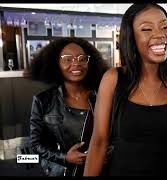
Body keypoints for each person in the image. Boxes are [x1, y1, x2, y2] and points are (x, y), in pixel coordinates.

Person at [83, 3, 167, 176]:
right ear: (131, 37)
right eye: (146, 29)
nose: (159, 35)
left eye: (165, 26)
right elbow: (99, 141)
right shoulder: (113, 78)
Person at [29, 37, 108, 176]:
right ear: (56, 64)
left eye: (82, 58)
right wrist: (65, 157)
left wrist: (107, 152)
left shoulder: (103, 95)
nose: (76, 63)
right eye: (67, 59)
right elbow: (35, 145)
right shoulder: (43, 101)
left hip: (102, 169)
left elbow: (116, 134)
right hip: (64, 172)